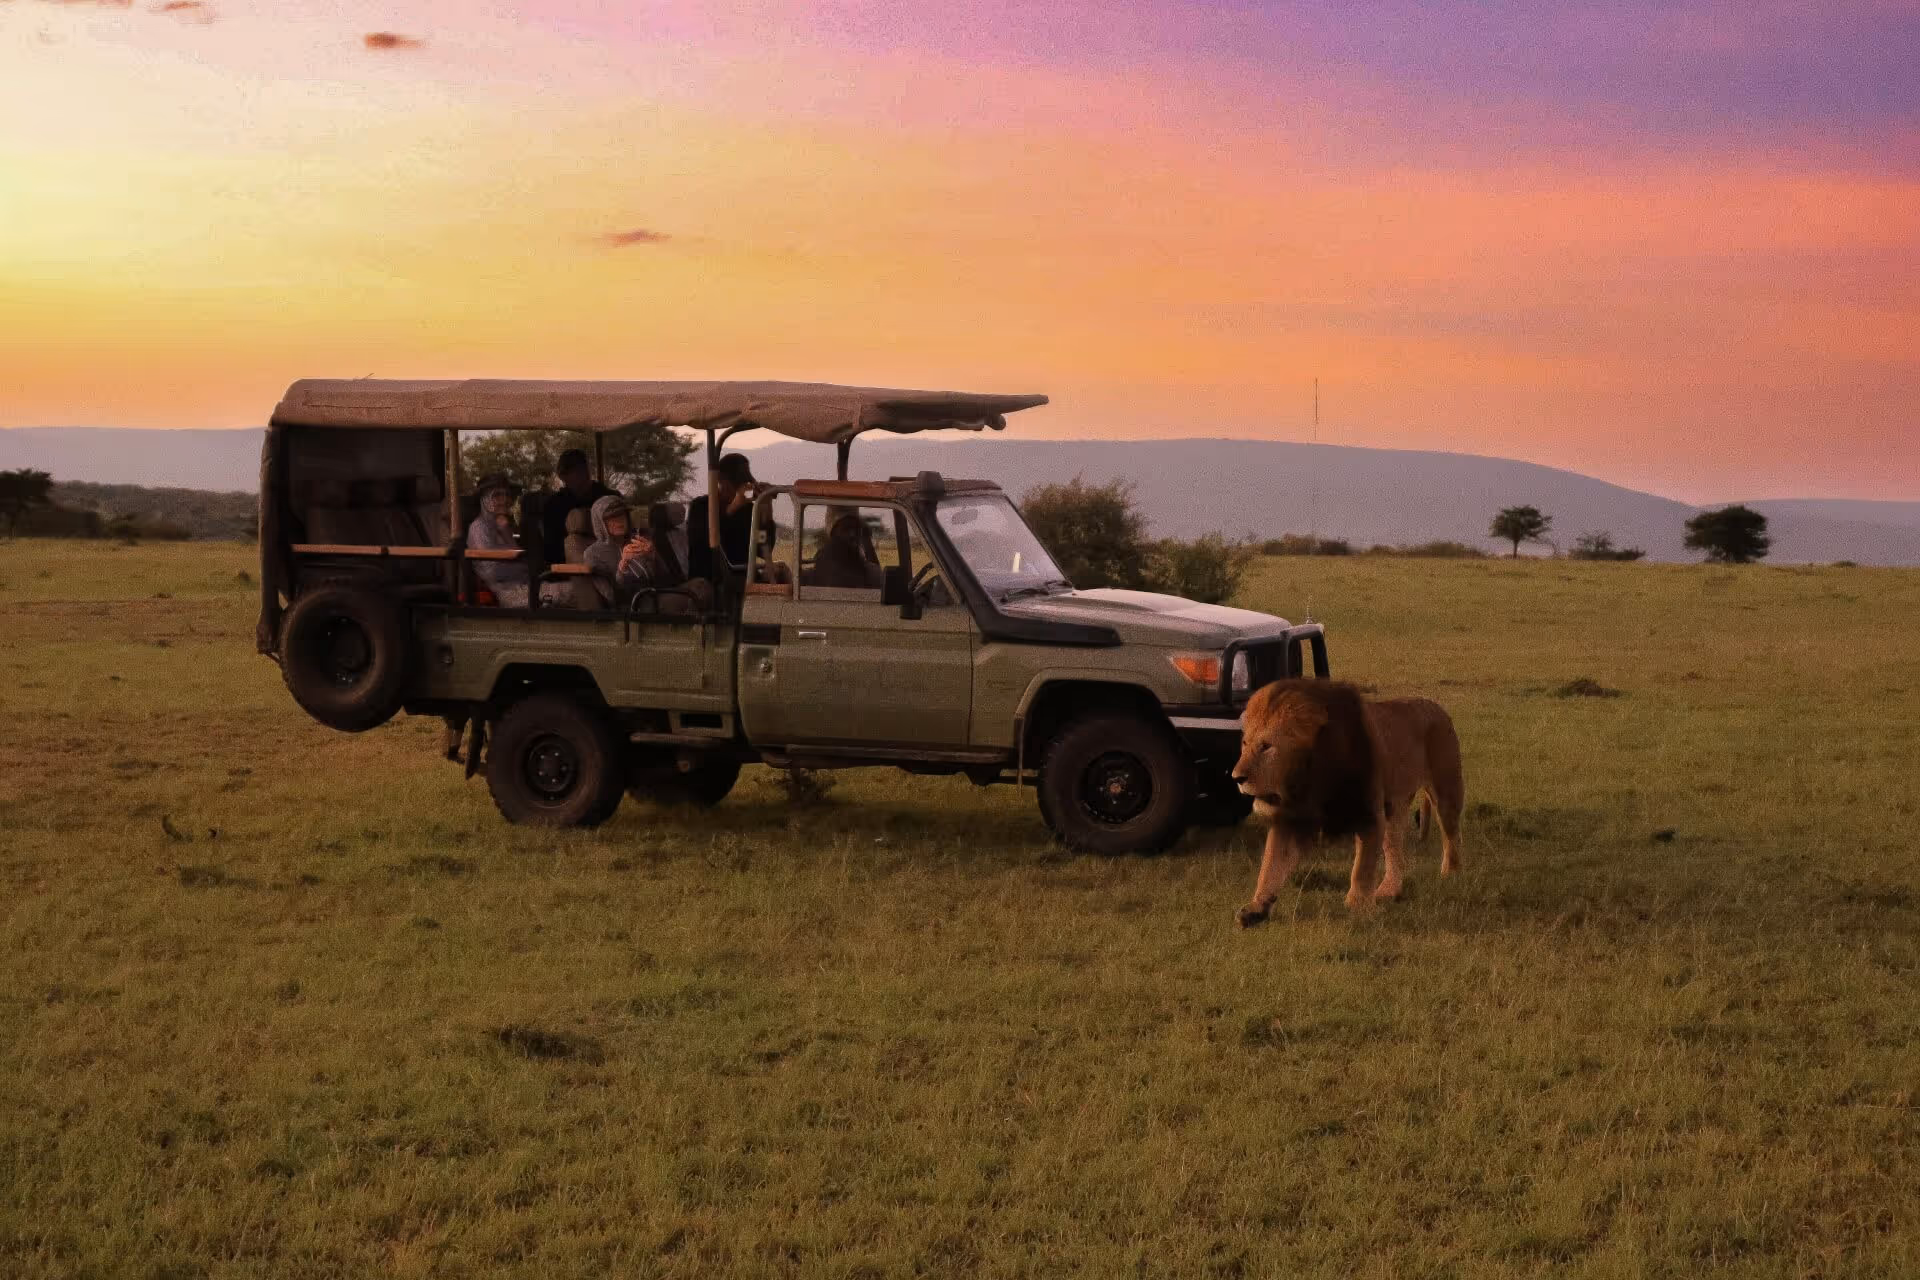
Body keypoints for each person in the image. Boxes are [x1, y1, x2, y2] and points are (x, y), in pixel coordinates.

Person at [686, 453, 774, 582]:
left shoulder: (747, 510)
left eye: (742, 484)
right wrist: (731, 509)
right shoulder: (700, 506)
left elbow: (763, 548)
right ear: (720, 481)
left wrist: (765, 515)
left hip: (742, 575)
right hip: (712, 578)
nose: (738, 489)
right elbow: (706, 542)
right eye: (734, 483)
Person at [581, 494, 666, 606]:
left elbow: (666, 581)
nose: (619, 520)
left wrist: (653, 556)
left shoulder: (638, 542)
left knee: (696, 585)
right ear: (600, 523)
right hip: (631, 608)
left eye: (622, 514)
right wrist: (622, 567)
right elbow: (612, 597)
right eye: (611, 517)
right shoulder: (592, 554)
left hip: (656, 597)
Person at [540, 447, 614, 567]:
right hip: (567, 570)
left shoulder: (609, 499)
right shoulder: (554, 505)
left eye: (577, 471)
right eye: (564, 475)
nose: (565, 480)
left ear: (585, 471)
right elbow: (551, 552)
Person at [465, 473, 528, 607]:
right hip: (506, 594)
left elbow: (519, 558)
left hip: (524, 586)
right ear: (483, 499)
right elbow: (491, 572)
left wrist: (506, 532)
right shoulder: (478, 528)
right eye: (497, 495)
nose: (504, 500)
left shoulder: (502, 526)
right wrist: (523, 568)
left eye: (507, 495)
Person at [808, 511, 885, 589]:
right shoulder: (826, 561)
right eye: (846, 529)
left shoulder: (862, 565)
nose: (852, 534)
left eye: (857, 530)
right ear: (834, 533)